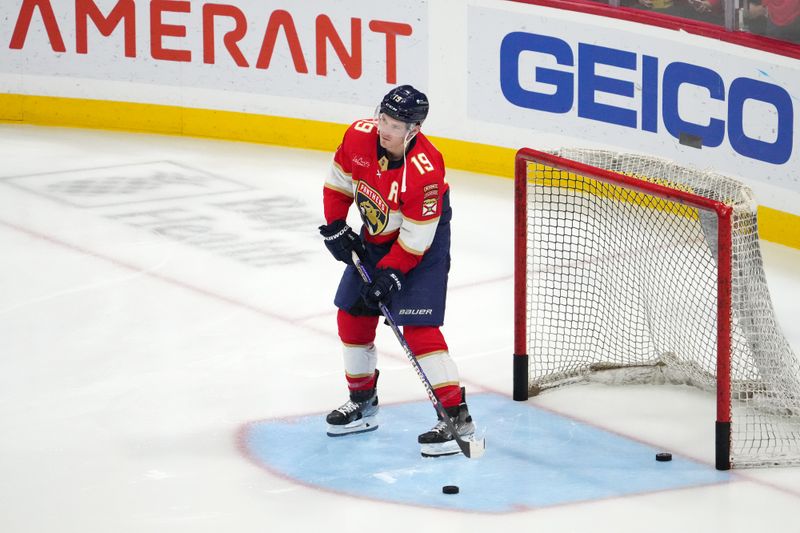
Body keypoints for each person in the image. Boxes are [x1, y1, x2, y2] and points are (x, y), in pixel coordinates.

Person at [317, 85, 477, 457]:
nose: (385, 129)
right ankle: (363, 402)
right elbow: (339, 180)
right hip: (377, 236)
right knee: (352, 314)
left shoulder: (425, 169)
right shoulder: (359, 136)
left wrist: (391, 274)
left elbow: (416, 238)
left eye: (396, 124)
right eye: (384, 118)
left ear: (414, 129)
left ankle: (457, 416)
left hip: (423, 244)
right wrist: (336, 226)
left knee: (419, 328)